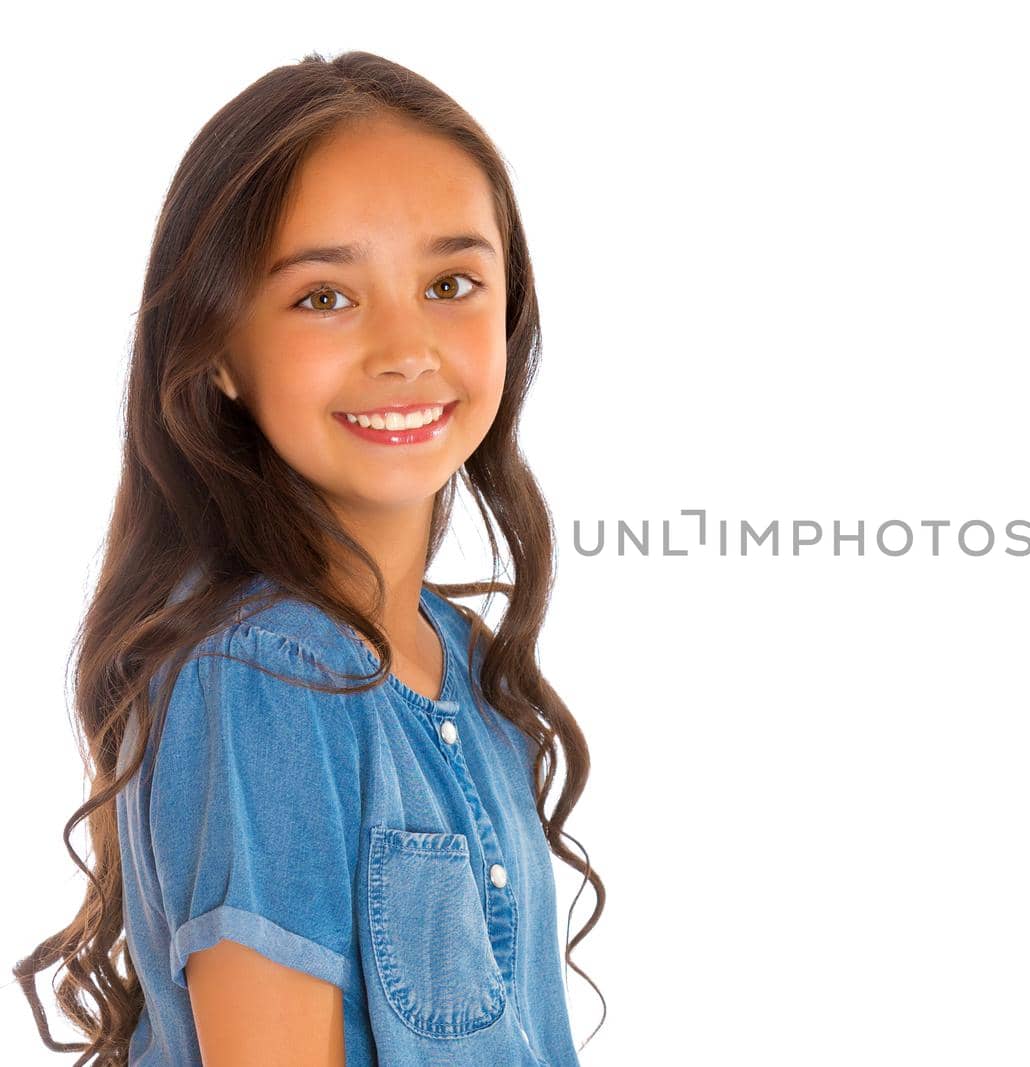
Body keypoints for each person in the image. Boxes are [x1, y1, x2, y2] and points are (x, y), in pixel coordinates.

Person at [13, 50, 605, 1066]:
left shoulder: (465, 661)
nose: (405, 346)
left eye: (451, 283)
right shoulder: (267, 678)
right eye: (325, 298)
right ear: (220, 353)